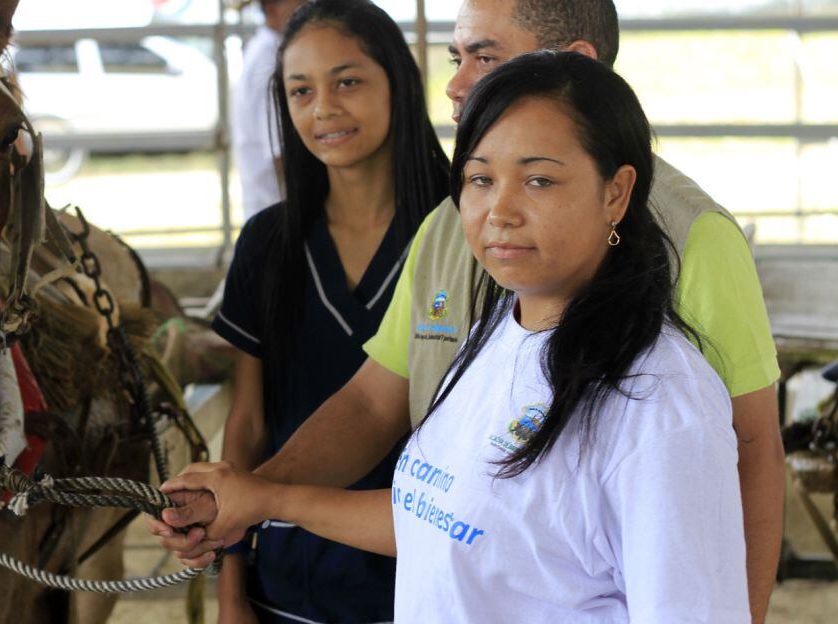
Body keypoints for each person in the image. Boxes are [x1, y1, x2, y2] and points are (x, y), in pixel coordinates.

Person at [155, 2, 784, 619]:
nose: (455, 85)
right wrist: (257, 497)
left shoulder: (674, 327)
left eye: (484, 58)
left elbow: (747, 458)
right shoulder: (488, 314)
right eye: (480, 179)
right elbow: (434, 497)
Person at [208, 1, 449, 621]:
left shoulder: (464, 233)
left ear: (399, 80)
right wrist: (231, 590)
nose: (323, 109)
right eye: (301, 91)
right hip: (292, 580)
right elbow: (247, 423)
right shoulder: (267, 243)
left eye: (347, 82)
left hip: (434, 577)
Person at [231, 0, 305, 220]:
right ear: (271, 8)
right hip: (276, 208)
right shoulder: (269, 58)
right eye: (299, 4)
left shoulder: (270, 49)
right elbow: (281, 151)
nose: (308, 8)